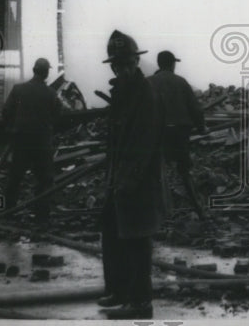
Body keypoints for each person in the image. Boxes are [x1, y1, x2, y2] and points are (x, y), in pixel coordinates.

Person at [97, 30, 167, 320]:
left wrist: (128, 181)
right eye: (117, 64)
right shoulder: (123, 93)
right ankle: (119, 291)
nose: (121, 68)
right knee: (112, 235)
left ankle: (140, 303)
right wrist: (113, 181)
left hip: (138, 182)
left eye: (126, 63)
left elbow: (144, 143)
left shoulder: (144, 95)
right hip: (119, 178)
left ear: (136, 62)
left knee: (137, 242)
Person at [147, 50, 208, 219]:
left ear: (159, 64)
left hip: (158, 133)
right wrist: (202, 127)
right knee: (184, 170)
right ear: (172, 63)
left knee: (158, 170)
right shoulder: (181, 82)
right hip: (180, 132)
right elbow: (195, 109)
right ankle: (199, 210)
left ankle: (161, 215)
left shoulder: (148, 83)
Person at [2, 57, 60, 222]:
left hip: (21, 141)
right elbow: (58, 116)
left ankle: (8, 213)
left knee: (15, 178)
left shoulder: (18, 89)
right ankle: (42, 217)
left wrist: (12, 128)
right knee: (44, 179)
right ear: (47, 73)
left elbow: (6, 112)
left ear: (34, 70)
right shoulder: (51, 93)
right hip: (42, 143)